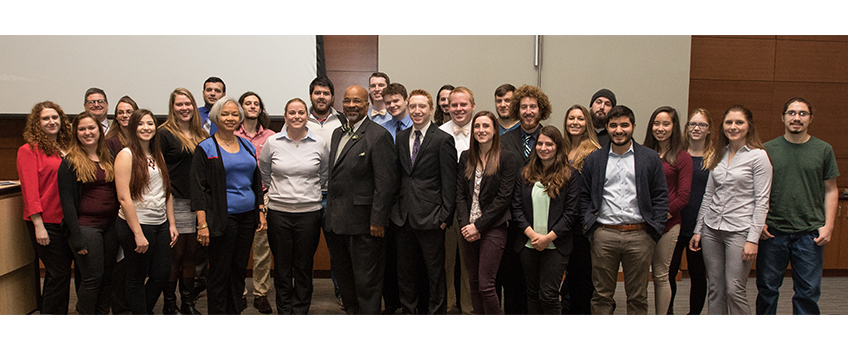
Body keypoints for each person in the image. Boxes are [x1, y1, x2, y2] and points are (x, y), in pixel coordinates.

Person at [580, 105, 668, 315]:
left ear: (633, 126)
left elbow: (660, 196)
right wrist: (591, 229)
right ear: (607, 128)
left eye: (624, 125)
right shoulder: (594, 159)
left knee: (638, 297)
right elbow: (584, 196)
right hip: (604, 234)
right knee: (601, 295)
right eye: (613, 125)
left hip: (639, 235)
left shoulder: (649, 158)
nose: (619, 130)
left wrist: (654, 231)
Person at [756, 97, 839, 315]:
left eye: (802, 113)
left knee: (808, 292)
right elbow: (757, 190)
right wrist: (759, 221)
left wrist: (828, 226)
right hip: (772, 231)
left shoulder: (823, 149)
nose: (796, 118)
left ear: (811, 118)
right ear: (782, 117)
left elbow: (831, 190)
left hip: (810, 233)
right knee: (767, 289)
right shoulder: (767, 150)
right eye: (792, 113)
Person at [690, 105, 772, 315]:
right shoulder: (719, 153)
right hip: (711, 230)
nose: (733, 127)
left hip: (739, 231)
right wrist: (698, 229)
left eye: (739, 122)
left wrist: (753, 239)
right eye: (729, 122)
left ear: (749, 126)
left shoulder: (758, 156)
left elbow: (762, 201)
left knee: (734, 289)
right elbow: (709, 194)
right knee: (715, 288)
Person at [324, 85, 398, 315]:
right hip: (337, 223)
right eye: (347, 101)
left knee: (367, 283)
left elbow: (386, 184)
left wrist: (378, 220)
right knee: (345, 281)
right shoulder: (337, 133)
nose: (351, 105)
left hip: (365, 225)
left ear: (367, 104)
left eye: (357, 101)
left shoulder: (378, 135)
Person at [191, 96, 265, 315]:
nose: (230, 118)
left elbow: (256, 180)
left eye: (234, 114)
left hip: (247, 218)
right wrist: (202, 224)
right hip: (222, 219)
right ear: (216, 117)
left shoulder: (246, 145)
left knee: (238, 270)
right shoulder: (206, 148)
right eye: (225, 114)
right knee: (219, 272)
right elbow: (198, 188)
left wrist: (260, 211)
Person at [390, 89, 457, 314]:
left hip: (432, 218)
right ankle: (409, 312)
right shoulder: (401, 137)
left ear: (430, 109)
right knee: (405, 272)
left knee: (434, 272)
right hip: (403, 217)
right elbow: (398, 176)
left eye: (422, 107)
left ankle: (436, 313)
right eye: (413, 107)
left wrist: (445, 216)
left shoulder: (443, 139)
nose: (417, 111)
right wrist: (395, 209)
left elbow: (449, 181)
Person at [260, 98, 328, 315]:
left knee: (303, 266)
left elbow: (324, 174)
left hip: (309, 214)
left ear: (307, 116)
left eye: (301, 112)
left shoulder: (319, 143)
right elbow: (265, 172)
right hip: (279, 214)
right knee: (282, 267)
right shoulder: (273, 142)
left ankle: (300, 311)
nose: (296, 116)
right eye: (292, 112)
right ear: (285, 116)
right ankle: (284, 311)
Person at [114, 109, 179, 315]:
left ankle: (141, 312)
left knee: (161, 274)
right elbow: (124, 197)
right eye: (141, 124)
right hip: (137, 224)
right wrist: (137, 233)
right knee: (136, 277)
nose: (146, 128)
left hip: (160, 223)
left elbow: (166, 190)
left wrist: (172, 223)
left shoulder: (156, 154)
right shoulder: (126, 155)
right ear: (133, 127)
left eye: (150, 123)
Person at [511, 125, 580, 315]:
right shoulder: (524, 173)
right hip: (528, 243)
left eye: (549, 144)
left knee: (549, 294)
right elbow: (516, 208)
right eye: (540, 144)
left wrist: (547, 238)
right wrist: (532, 235)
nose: (543, 148)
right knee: (532, 293)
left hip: (556, 244)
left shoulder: (570, 175)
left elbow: (571, 213)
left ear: (557, 147)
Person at [456, 110, 518, 315]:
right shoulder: (466, 157)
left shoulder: (506, 158)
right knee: (473, 283)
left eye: (486, 126)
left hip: (493, 228)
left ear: (494, 131)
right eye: (477, 126)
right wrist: (466, 225)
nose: (481, 130)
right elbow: (460, 194)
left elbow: (503, 198)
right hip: (467, 228)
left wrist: (478, 226)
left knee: (486, 285)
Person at [57, 111, 120, 315]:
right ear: (76, 133)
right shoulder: (70, 161)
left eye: (91, 128)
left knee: (108, 277)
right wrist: (76, 237)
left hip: (111, 226)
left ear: (100, 130)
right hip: (86, 227)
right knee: (92, 278)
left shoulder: (110, 156)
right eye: (82, 129)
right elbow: (67, 202)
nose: (87, 132)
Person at [499, 84, 552, 315]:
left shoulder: (550, 138)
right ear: (517, 110)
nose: (528, 111)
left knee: (542, 285)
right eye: (523, 107)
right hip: (513, 220)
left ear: (541, 110)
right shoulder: (504, 140)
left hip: (544, 221)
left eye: (533, 107)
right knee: (513, 281)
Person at [17, 101, 73, 314]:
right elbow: (29, 190)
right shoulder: (29, 150)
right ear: (37, 123)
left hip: (66, 220)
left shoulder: (66, 148)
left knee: (61, 274)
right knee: (58, 274)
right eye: (45, 118)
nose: (51, 122)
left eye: (55, 117)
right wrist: (38, 224)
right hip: (46, 222)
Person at [158, 88, 208, 315]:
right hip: (175, 202)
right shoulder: (164, 134)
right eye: (179, 104)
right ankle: (170, 304)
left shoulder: (202, 134)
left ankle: (188, 303)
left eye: (188, 104)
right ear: (172, 107)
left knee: (191, 256)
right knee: (175, 256)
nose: (184, 108)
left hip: (197, 203)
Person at [643, 106, 692, 315]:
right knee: (640, 275)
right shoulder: (643, 154)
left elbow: (683, 197)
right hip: (642, 224)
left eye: (666, 124)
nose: (660, 128)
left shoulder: (682, 157)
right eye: (656, 123)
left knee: (661, 275)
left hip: (668, 224)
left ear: (674, 127)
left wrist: (659, 217)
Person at [305, 76, 346, 308]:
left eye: (326, 93)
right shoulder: (300, 119)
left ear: (332, 97)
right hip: (307, 196)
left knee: (337, 249)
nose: (321, 97)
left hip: (334, 196)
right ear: (311, 95)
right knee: (304, 250)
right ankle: (303, 295)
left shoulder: (342, 120)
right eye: (317, 93)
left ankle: (342, 292)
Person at [235, 91, 277, 314]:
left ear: (261, 109)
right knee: (239, 249)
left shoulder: (271, 136)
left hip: (264, 196)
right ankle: (239, 293)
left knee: (263, 250)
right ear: (240, 108)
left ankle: (261, 294)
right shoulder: (231, 134)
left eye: (256, 104)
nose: (252, 106)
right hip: (239, 196)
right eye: (247, 103)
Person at [668, 108, 712, 315]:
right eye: (693, 124)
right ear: (686, 128)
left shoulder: (715, 158)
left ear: (709, 129)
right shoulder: (677, 155)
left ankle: (694, 316)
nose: (696, 128)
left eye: (702, 125)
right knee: (669, 273)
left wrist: (701, 229)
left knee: (697, 275)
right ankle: (668, 313)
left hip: (701, 227)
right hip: (676, 222)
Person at [560, 104, 601, 315]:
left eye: (580, 118)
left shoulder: (594, 152)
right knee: (567, 273)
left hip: (582, 223)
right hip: (562, 220)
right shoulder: (561, 149)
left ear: (587, 123)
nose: (575, 122)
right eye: (571, 118)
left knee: (582, 274)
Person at [439, 87, 476, 314]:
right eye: (454, 105)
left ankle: (470, 308)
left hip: (474, 207)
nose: (459, 109)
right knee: (446, 261)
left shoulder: (482, 131)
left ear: (473, 105)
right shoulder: (438, 133)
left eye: (463, 104)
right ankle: (448, 306)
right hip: (446, 207)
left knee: (469, 263)